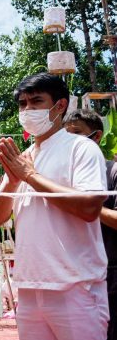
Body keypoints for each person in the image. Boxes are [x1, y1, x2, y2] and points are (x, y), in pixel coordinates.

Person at [0, 73, 108, 340]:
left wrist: (30, 176)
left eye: (36, 101)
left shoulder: (81, 149)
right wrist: (13, 181)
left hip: (75, 289)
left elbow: (90, 208)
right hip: (30, 290)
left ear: (60, 105)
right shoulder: (24, 157)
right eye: (22, 104)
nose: (28, 110)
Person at [64, 109, 117, 340]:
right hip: (72, 276)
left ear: (96, 137)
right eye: (66, 136)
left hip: (110, 274)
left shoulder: (112, 171)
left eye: (77, 133)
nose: (70, 142)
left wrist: (88, 207)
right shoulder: (61, 177)